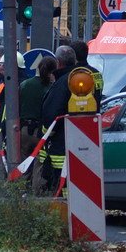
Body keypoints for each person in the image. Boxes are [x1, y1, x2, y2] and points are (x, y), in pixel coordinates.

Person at [36, 45, 78, 193]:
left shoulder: (62, 83)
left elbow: (51, 114)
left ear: (58, 62)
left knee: (61, 184)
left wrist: (45, 134)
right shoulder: (78, 78)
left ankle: (64, 212)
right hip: (77, 142)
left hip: (59, 146)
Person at [20, 55, 57, 162]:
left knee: (23, 167)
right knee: (39, 167)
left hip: (24, 132)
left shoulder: (24, 85)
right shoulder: (52, 88)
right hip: (42, 133)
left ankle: (23, 179)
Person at [69, 39, 104, 105]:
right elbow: (99, 93)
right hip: (95, 112)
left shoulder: (72, 75)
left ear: (73, 55)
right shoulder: (97, 73)